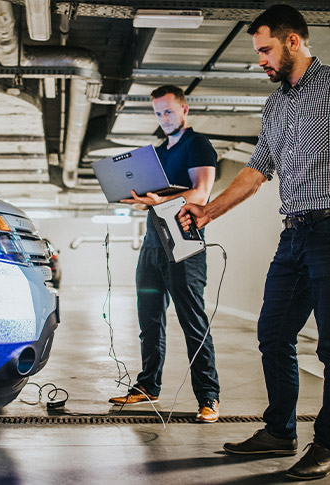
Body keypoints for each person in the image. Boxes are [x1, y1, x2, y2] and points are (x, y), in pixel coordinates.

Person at [178, 4, 330, 480]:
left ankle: (329, 445)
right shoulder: (275, 105)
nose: (261, 60)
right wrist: (207, 211)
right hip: (293, 234)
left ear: (294, 41)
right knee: (273, 335)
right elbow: (256, 173)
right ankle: (279, 430)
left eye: (266, 50)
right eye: (258, 52)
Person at [108, 85, 221, 423]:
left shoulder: (197, 144)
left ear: (184, 110)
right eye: (158, 113)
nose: (164, 118)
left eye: (169, 111)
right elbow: (151, 195)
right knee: (150, 319)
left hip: (185, 243)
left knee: (193, 322)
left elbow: (201, 193)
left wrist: (161, 202)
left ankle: (209, 397)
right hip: (153, 243)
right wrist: (135, 198)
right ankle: (147, 387)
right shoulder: (156, 153)